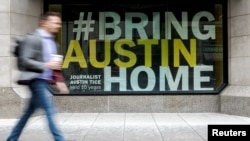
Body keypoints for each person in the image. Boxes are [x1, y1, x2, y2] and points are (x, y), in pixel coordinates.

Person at [7, 12, 69, 141]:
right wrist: (46, 65)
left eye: (59, 23)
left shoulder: (53, 43)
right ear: (44, 22)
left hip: (44, 81)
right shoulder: (32, 38)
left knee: (28, 113)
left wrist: (59, 81)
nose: (58, 26)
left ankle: (12, 138)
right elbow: (24, 60)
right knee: (49, 109)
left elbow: (54, 65)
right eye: (55, 22)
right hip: (35, 80)